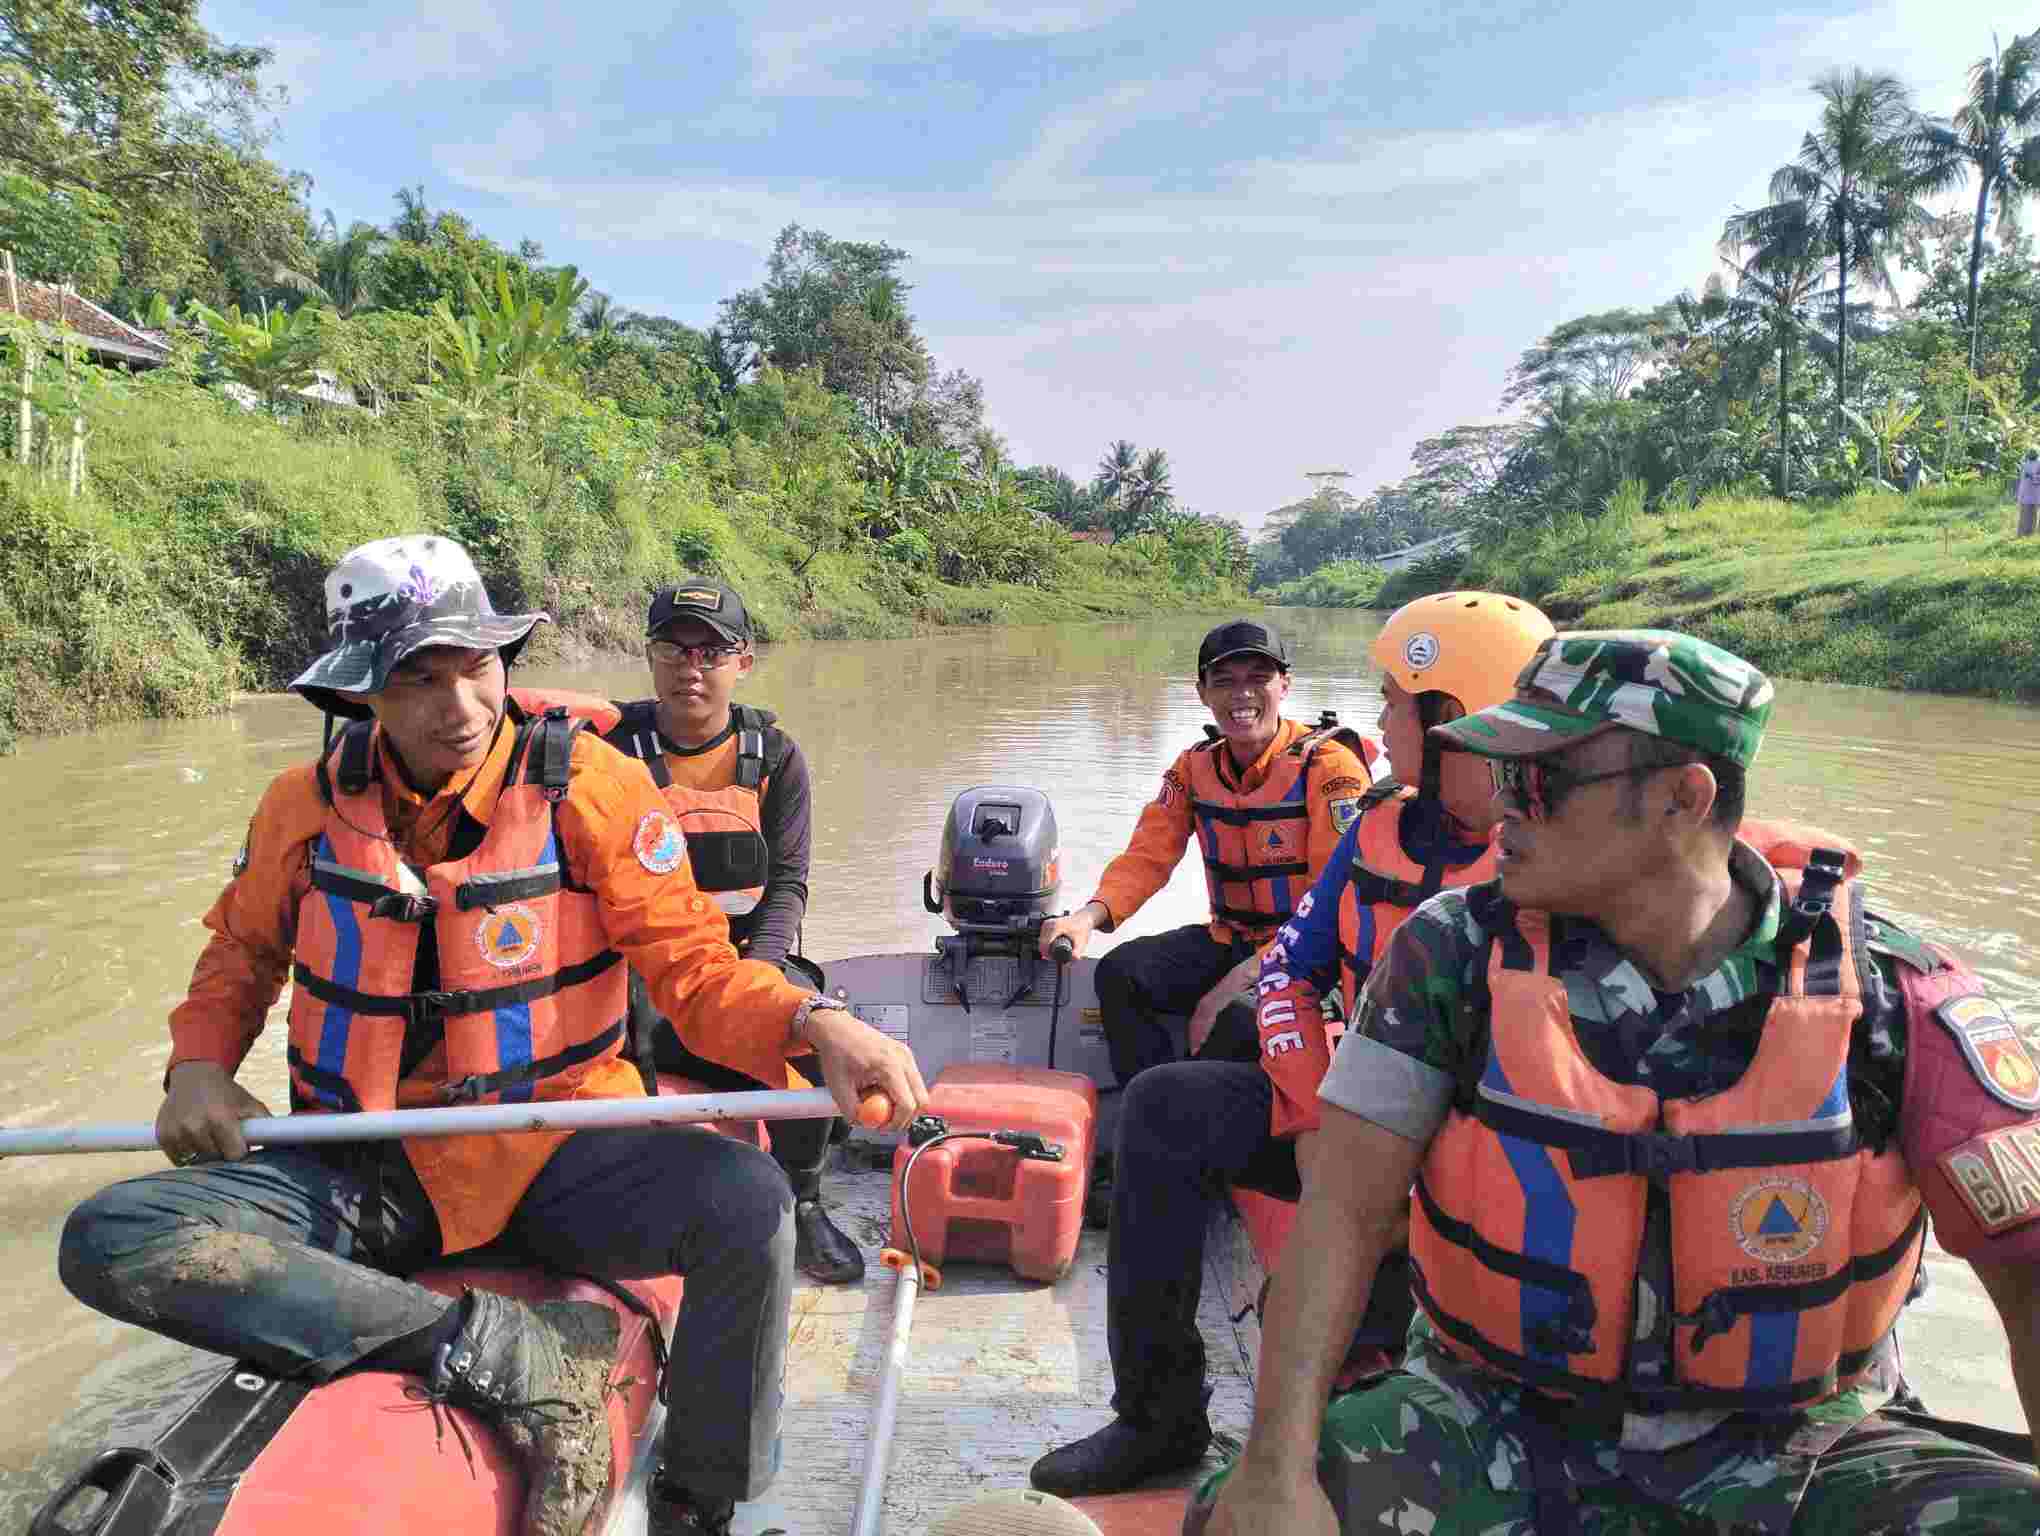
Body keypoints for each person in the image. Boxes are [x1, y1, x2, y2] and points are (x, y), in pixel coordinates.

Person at [56, 536, 927, 1536]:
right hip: (370, 1165)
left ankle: (699, 1498)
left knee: (751, 1209)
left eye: (476, 667)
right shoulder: (301, 807)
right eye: (418, 678)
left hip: (561, 1151)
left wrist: (814, 1020)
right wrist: (199, 1068)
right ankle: (505, 1351)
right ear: (362, 693)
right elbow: (239, 959)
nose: (460, 707)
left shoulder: (591, 789)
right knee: (112, 1235)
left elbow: (694, 971)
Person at [1192, 629, 2040, 1536]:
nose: (1501, 808)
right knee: (1241, 1515)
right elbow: (1340, 1218)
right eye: (1502, 773)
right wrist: (1275, 1464)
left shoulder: (1890, 989)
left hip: (1810, 1446)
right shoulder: (1449, 955)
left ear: (1684, 798)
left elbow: (2027, 1269)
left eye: (1541, 780)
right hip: (1490, 1423)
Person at [1029, 594, 1554, 1500]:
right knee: (1163, 1108)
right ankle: (1158, 1417)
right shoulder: (1382, 821)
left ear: (1459, 719)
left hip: (1479, 1159)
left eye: (1396, 702)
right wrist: (1319, 1125)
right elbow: (1290, 976)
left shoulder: (1552, 859)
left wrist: (1374, 1171)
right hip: (1355, 1122)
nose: (1379, 727)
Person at [602, 580, 863, 1285]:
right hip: (636, 975)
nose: (692, 665)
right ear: (649, 656)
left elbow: (789, 886)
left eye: (711, 649)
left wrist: (763, 974)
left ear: (742, 661)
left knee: (815, 1026)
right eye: (674, 648)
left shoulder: (776, 758)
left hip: (740, 968)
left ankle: (803, 1199)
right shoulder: (601, 749)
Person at [1036, 619, 1378, 1089]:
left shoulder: (1330, 767)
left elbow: (1335, 900)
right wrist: (1086, 919)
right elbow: (1147, 857)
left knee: (1236, 1020)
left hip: (1310, 955)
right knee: (1121, 974)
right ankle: (1152, 1103)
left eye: (1258, 679)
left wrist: (1241, 978)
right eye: (1224, 682)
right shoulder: (1194, 767)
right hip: (1229, 938)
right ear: (1201, 692)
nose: (1242, 696)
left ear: (1285, 685)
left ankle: (1196, 1114)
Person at [2017, 449, 2039, 538]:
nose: (2031, 455)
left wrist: (2033, 476)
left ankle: (2030, 534)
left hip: (2035, 494)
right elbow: (2023, 478)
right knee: (2024, 515)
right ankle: (2021, 535)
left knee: (2033, 515)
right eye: (2030, 453)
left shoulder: (2038, 464)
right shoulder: (2024, 464)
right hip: (2025, 493)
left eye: (2033, 453)